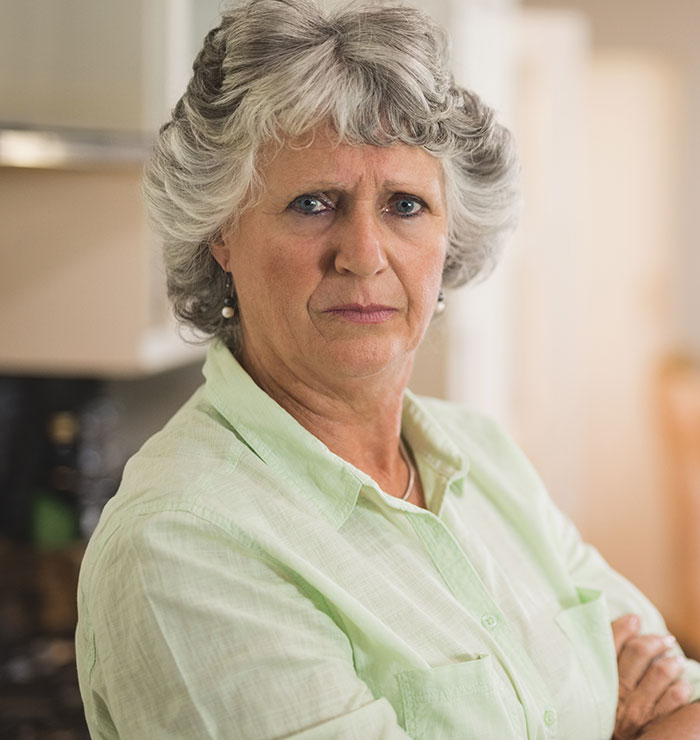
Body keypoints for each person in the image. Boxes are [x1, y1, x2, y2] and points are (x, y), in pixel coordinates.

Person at [75, 0, 700, 737]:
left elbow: (682, 695)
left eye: (405, 205)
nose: (364, 255)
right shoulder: (181, 544)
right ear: (220, 233)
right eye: (314, 203)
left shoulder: (483, 456)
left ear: (451, 238)